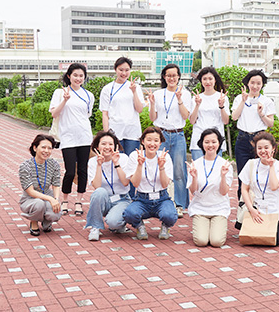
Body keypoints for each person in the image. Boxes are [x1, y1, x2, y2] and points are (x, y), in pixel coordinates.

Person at [146, 63, 192, 218]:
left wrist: (179, 100)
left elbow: (186, 116)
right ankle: (160, 202)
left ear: (179, 76)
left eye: (174, 75)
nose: (171, 78)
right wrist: (152, 104)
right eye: (168, 75)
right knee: (159, 169)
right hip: (161, 135)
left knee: (179, 171)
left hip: (178, 134)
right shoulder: (158, 94)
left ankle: (179, 204)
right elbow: (153, 118)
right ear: (164, 77)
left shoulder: (185, 93)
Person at [49, 63, 94, 216]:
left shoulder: (89, 95)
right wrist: (65, 100)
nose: (78, 78)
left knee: (82, 170)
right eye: (75, 75)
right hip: (67, 137)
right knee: (69, 171)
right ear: (68, 76)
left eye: (81, 76)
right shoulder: (59, 92)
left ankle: (79, 201)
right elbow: (54, 114)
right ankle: (65, 200)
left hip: (84, 136)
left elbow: (86, 115)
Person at [99, 57, 145, 198]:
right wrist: (107, 135)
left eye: (126, 70)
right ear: (115, 70)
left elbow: (139, 109)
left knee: (132, 164)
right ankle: (116, 196)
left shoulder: (135, 87)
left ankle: (131, 197)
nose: (124, 73)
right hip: (115, 134)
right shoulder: (108, 89)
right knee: (116, 164)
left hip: (132, 133)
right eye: (121, 70)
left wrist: (134, 91)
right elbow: (105, 113)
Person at [123, 127, 177, 240]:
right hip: (142, 198)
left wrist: (161, 167)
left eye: (156, 140)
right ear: (143, 141)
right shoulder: (135, 156)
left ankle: (166, 226)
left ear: (160, 142)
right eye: (149, 140)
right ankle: (139, 226)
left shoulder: (165, 156)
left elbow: (165, 184)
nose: (152, 144)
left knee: (170, 215)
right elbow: (135, 184)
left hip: (162, 197)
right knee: (129, 214)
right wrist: (139, 165)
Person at [232, 69, 276, 202]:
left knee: (260, 174)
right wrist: (242, 101)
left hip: (260, 140)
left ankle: (260, 203)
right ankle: (242, 206)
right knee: (243, 175)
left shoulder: (267, 101)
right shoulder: (240, 98)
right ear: (247, 83)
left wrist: (261, 113)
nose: (255, 86)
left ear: (262, 85)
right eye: (252, 83)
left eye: (258, 83)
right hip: (243, 139)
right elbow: (234, 117)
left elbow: (271, 123)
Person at [186, 128, 234, 247]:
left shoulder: (225, 165)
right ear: (202, 144)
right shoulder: (195, 164)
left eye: (214, 142)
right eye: (206, 142)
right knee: (201, 241)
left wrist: (223, 176)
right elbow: (193, 191)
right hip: (200, 209)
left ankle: (215, 227)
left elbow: (224, 192)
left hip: (219, 209)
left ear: (219, 143)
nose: (210, 145)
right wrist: (194, 177)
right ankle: (204, 226)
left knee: (216, 242)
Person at [239, 132, 279, 246]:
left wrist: (271, 166)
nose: (263, 151)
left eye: (266, 147)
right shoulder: (251, 164)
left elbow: (274, 186)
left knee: (274, 240)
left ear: (273, 149)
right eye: (259, 148)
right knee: (249, 239)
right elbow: (244, 189)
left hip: (275, 210)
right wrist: (252, 210)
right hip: (257, 209)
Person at [84, 131, 132, 241]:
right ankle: (95, 227)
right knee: (99, 192)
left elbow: (125, 182)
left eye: (110, 144)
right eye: (103, 144)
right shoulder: (93, 162)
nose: (107, 147)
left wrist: (116, 163)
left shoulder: (123, 158)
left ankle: (119, 225)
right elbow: (96, 186)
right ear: (97, 146)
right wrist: (99, 165)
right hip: (104, 200)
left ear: (115, 146)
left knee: (113, 223)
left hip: (122, 199)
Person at [18, 134, 62, 236]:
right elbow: (30, 191)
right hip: (30, 198)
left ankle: (46, 221)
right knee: (39, 204)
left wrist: (56, 199)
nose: (46, 151)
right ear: (35, 148)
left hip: (47, 194)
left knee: (55, 212)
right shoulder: (25, 166)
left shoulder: (54, 164)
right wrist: (50, 199)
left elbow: (56, 184)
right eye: (43, 147)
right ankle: (34, 221)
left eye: (49, 148)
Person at [189, 67, 230, 161]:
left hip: (216, 140)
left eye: (210, 79)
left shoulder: (222, 98)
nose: (208, 82)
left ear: (215, 80)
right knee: (198, 171)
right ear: (201, 81)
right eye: (204, 79)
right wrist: (197, 105)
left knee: (215, 171)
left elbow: (226, 121)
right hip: (198, 139)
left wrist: (221, 106)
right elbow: (192, 121)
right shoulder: (196, 98)